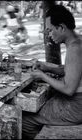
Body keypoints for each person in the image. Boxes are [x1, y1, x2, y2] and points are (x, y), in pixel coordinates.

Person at [22, 5, 82, 139]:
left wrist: (42, 75)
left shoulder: (74, 48)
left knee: (25, 119)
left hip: (77, 106)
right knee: (43, 101)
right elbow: (72, 69)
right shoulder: (77, 41)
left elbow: (68, 89)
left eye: (50, 30)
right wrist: (47, 68)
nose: (48, 34)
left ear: (61, 27)